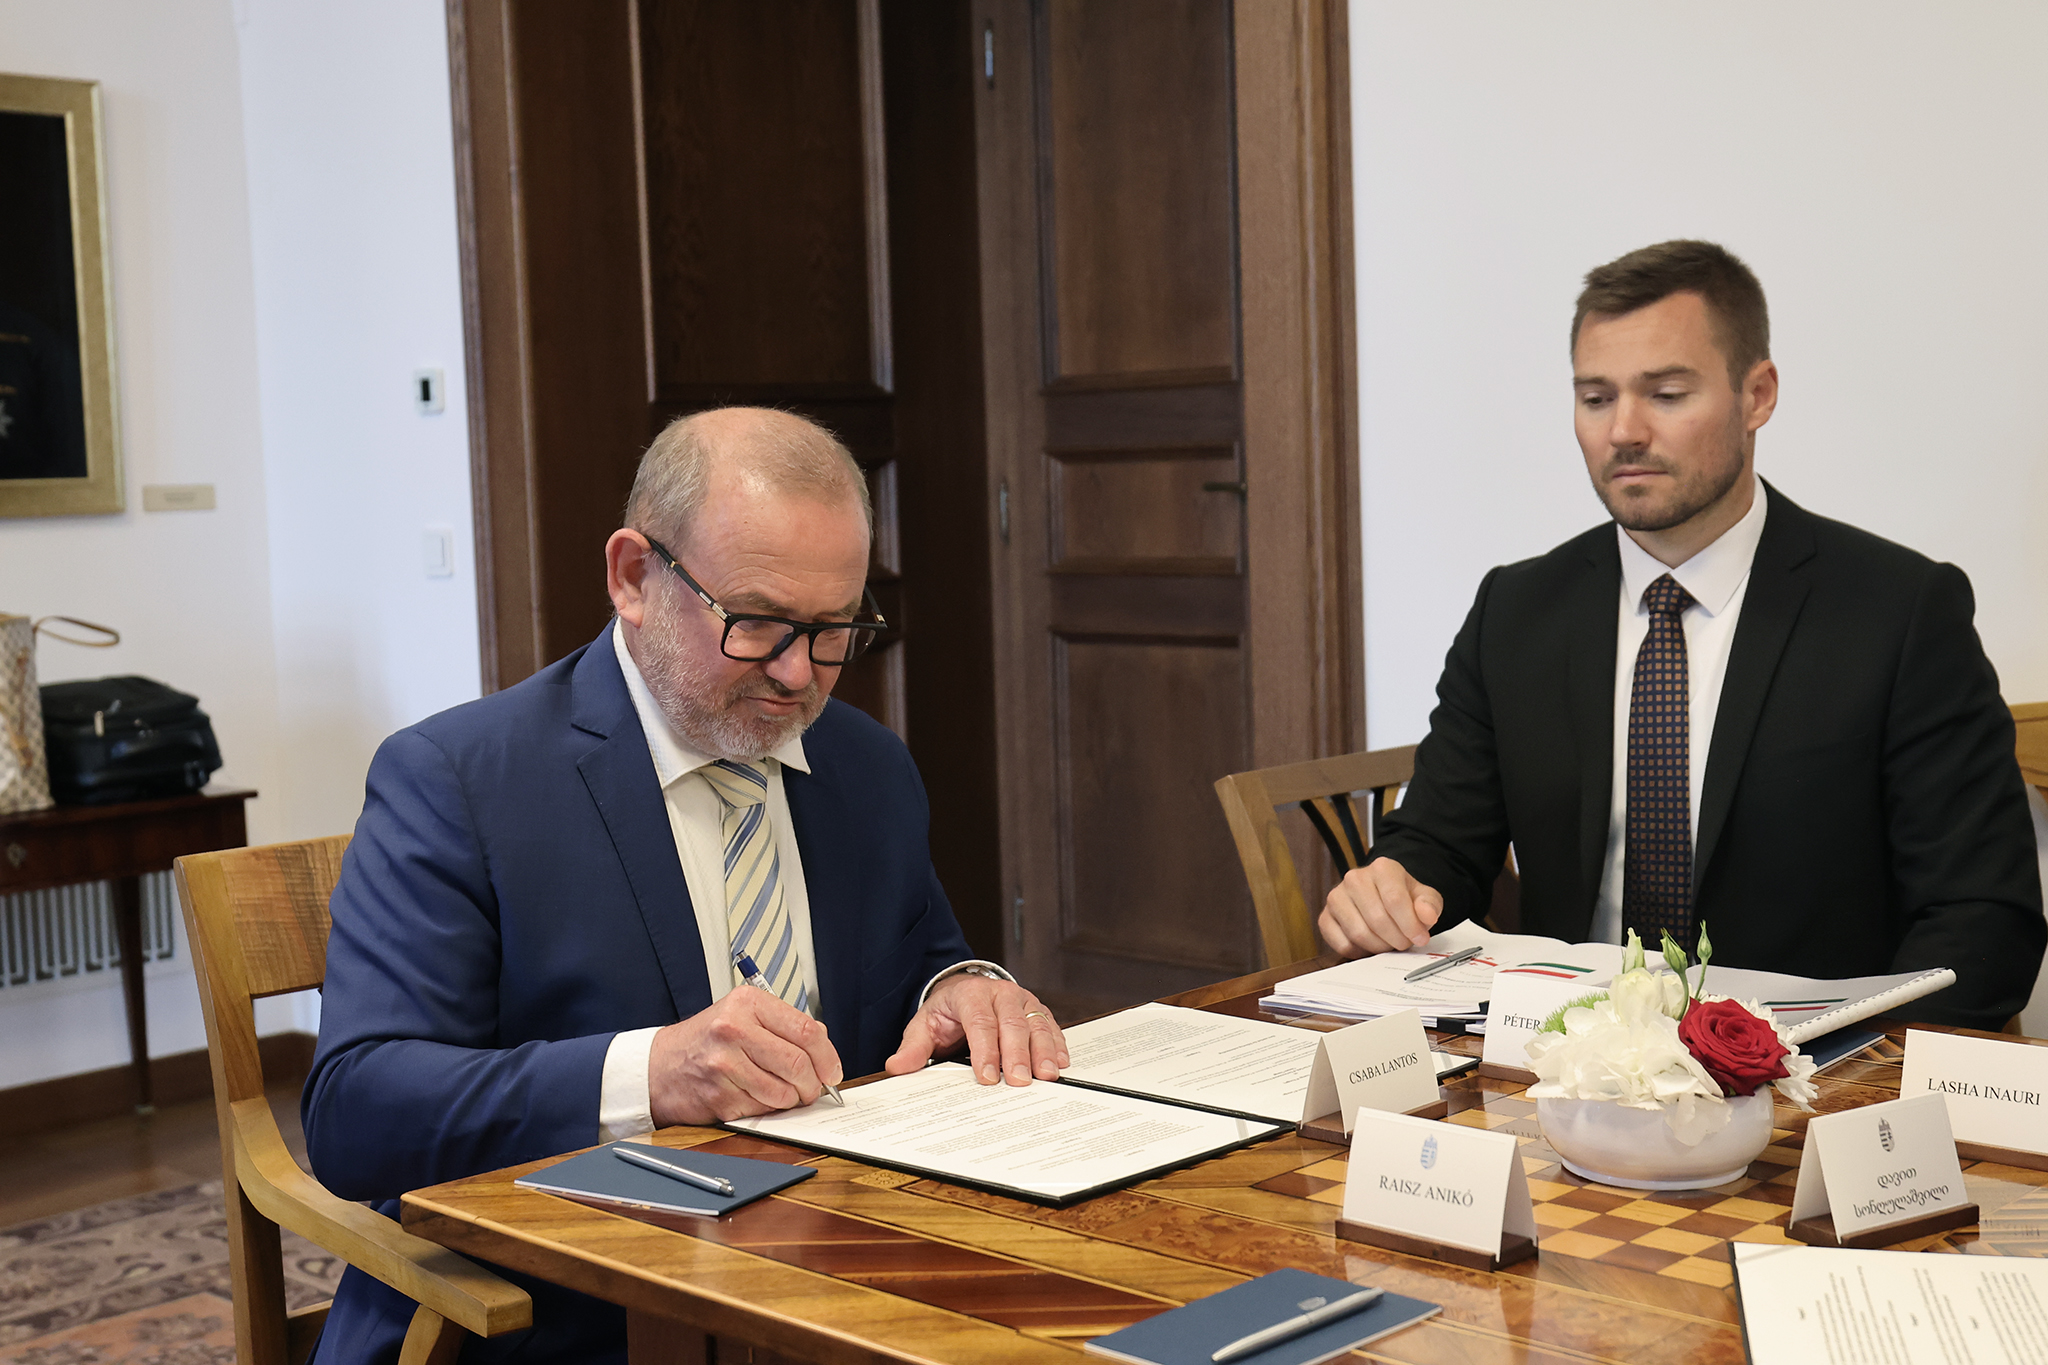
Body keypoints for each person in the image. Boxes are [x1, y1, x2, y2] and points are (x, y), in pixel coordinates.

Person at [302, 408, 1068, 1363]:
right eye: (757, 622)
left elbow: (924, 964)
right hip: (563, 1315)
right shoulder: (459, 780)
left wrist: (964, 988)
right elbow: (358, 1110)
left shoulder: (866, 766)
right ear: (634, 576)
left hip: (838, 1286)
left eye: (834, 628)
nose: (798, 674)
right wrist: (650, 1074)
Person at [1319, 241, 2043, 1029]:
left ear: (1757, 395)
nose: (1624, 430)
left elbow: (1982, 919)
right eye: (1595, 398)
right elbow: (1441, 844)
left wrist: (1836, 1061)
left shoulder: (1899, 611)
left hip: (1803, 1067)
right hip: (1560, 1059)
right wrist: (1392, 885)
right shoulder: (1517, 610)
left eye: (1665, 394)